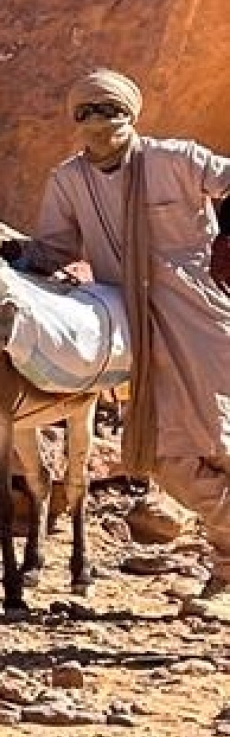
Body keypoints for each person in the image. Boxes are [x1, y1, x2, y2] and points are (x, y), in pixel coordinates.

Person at [23, 68, 230, 614]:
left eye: (110, 110)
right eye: (87, 112)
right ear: (74, 121)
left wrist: (227, 236)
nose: (100, 121)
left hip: (203, 322)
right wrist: (0, 260)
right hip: (137, 332)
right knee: (164, 456)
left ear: (131, 114)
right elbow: (52, 251)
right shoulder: (69, 181)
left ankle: (226, 573)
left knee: (222, 440)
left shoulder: (175, 159)